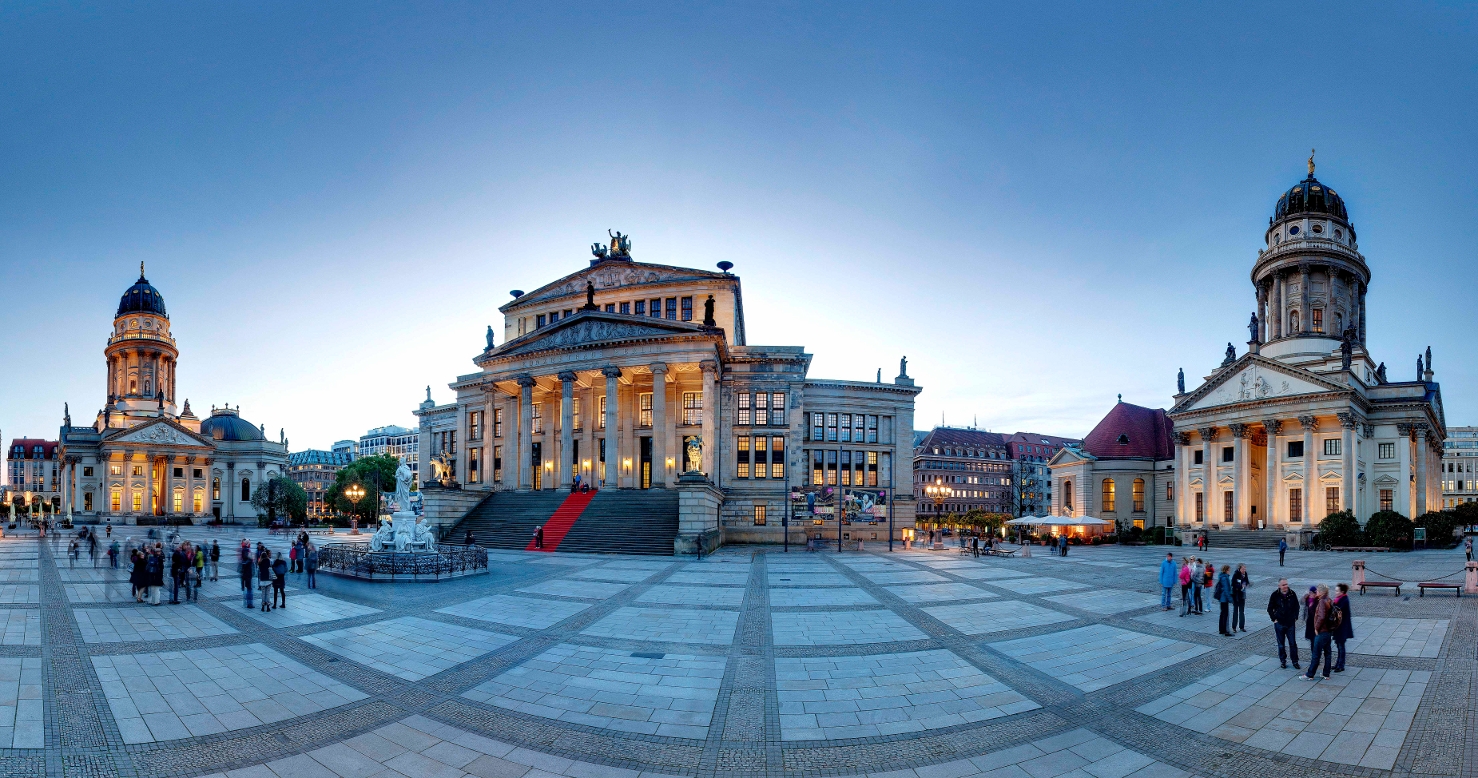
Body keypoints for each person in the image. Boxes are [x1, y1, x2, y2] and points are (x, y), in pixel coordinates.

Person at [1303, 584, 1338, 680]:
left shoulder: (1322, 601)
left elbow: (1321, 616)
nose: (1316, 592)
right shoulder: (1328, 599)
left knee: (1316, 654)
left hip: (1322, 631)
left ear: (1322, 591)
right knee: (1327, 653)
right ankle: (1326, 673)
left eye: (1318, 590)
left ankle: (1310, 674)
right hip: (1328, 630)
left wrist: (1316, 628)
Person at [1267, 578, 1301, 669]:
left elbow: (1297, 606)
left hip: (1290, 623)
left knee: (1293, 643)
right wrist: (1274, 619)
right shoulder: (1275, 595)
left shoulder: (1292, 593)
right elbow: (1270, 608)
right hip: (1279, 623)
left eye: (1286, 584)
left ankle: (1295, 661)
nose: (1285, 586)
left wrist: (1295, 617)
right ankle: (1283, 661)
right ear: (1279, 586)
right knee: (1281, 644)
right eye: (1283, 585)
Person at [1332, 582, 1353, 672]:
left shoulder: (1344, 601)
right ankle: (1338, 664)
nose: (1335, 592)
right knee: (1339, 646)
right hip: (1339, 628)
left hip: (1342, 628)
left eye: (1337, 591)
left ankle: (1341, 665)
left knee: (1341, 646)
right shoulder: (1339, 599)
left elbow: (1337, 612)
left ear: (1342, 591)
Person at [1214, 564, 1234, 636]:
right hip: (1224, 599)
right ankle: (1226, 631)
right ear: (1226, 570)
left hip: (1222, 599)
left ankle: (1221, 629)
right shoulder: (1225, 578)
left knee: (1222, 614)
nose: (1230, 572)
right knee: (1225, 615)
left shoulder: (1222, 576)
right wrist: (1231, 599)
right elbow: (1226, 590)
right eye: (1229, 570)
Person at [1231, 563, 1250, 633]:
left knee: (1242, 611)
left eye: (1245, 569)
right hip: (1236, 595)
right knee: (1235, 611)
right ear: (1239, 569)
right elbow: (1232, 583)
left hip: (1242, 595)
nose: (1244, 570)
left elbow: (1247, 581)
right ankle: (1234, 627)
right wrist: (1240, 586)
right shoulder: (1236, 574)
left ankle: (1242, 627)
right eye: (1243, 569)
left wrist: (1247, 584)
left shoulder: (1245, 574)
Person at [1302, 585, 1319, 659]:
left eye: (1313, 593)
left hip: (1316, 624)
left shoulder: (1317, 601)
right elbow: (1301, 602)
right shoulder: (1307, 599)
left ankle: (1316, 657)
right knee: (1312, 641)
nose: (1311, 594)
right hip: (1309, 623)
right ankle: (1314, 657)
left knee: (1316, 642)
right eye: (1310, 593)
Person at [257, 548, 274, 612]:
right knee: (268, 593)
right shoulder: (268, 561)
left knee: (263, 593)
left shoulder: (260, 563)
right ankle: (268, 607)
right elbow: (270, 569)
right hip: (268, 579)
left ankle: (263, 606)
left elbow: (259, 571)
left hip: (262, 579)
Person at [240, 540, 256, 609]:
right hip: (248, 575)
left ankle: (246, 602)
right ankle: (250, 603)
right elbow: (252, 560)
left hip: (244, 575)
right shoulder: (249, 561)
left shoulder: (243, 561)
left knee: (246, 589)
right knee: (250, 589)